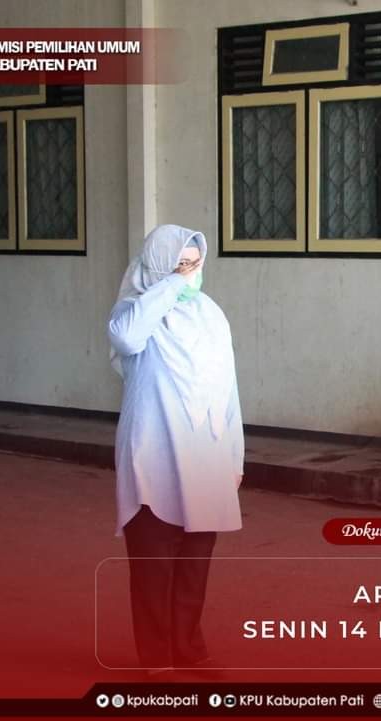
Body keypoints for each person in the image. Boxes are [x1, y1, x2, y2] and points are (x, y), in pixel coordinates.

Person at [108, 224, 244, 674]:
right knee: (153, 563)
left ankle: (189, 649)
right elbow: (126, 339)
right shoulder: (136, 311)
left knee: (194, 562)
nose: (189, 275)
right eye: (179, 265)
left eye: (195, 265)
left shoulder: (211, 314)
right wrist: (168, 286)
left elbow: (228, 388)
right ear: (159, 267)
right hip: (153, 452)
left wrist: (235, 455)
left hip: (205, 453)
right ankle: (157, 658)